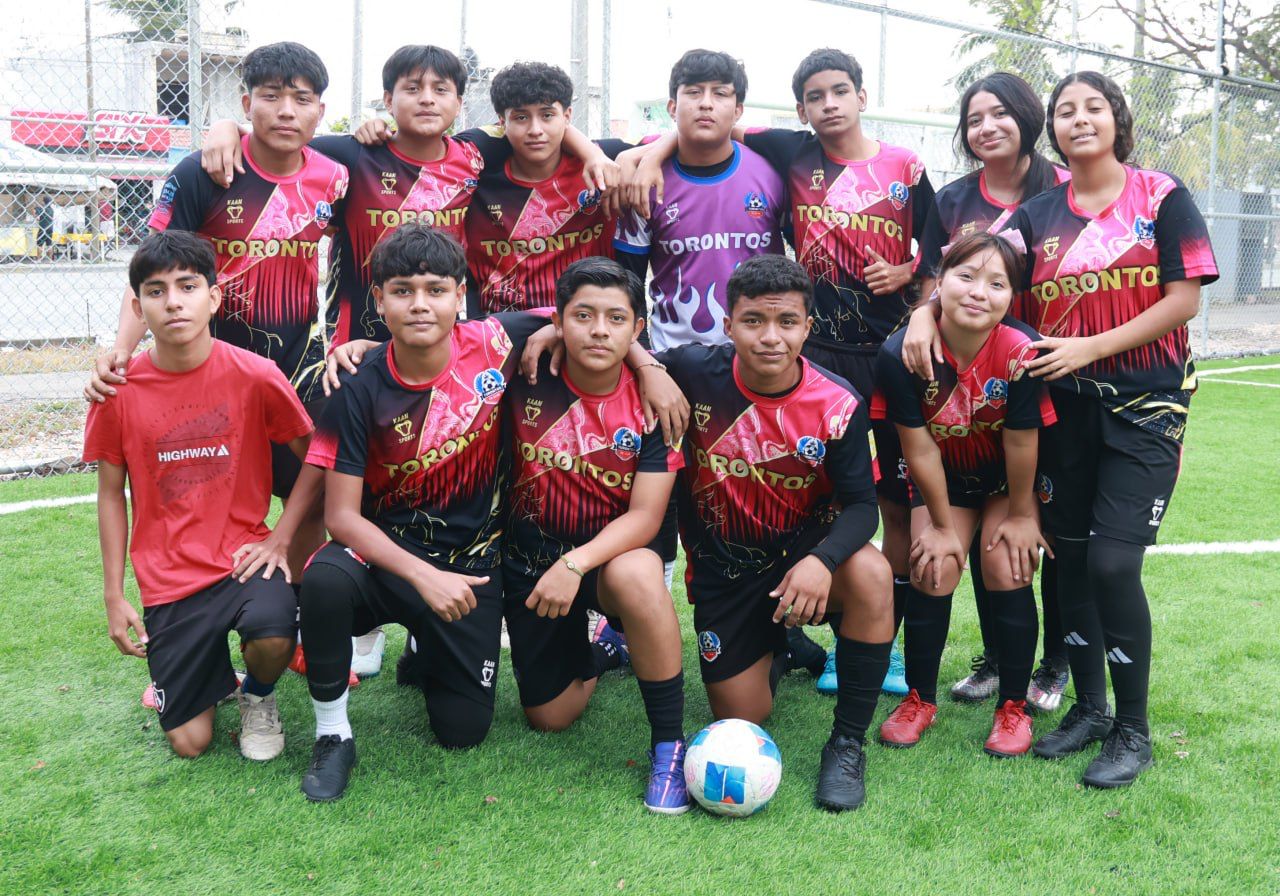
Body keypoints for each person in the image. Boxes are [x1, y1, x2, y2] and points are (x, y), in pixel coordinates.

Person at [625, 47, 937, 696]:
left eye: (840, 92)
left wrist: (912, 273)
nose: (829, 104)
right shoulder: (773, 154)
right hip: (709, 364)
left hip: (846, 353)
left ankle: (871, 639)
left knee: (865, 498)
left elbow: (943, 245)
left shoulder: (855, 164)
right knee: (712, 498)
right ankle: (705, 627)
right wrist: (650, 152)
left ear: (862, 96)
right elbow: (697, 132)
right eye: (815, 96)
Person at [999, 72, 1217, 786]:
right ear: (1053, 131)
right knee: (1068, 563)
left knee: (1114, 565)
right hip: (1062, 413)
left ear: (1119, 121)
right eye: (1065, 111)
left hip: (1147, 409)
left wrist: (1090, 348)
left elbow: (1183, 301)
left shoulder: (1161, 196)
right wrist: (922, 313)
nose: (1079, 118)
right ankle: (1089, 710)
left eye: (1093, 107)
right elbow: (979, 275)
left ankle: (1133, 730)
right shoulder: (1034, 216)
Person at [295, 224, 552, 802]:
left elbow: (584, 313)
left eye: (435, 290)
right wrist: (423, 576)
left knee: (463, 732)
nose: (419, 304)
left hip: (470, 569)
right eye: (402, 290)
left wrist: (646, 365)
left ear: (460, 296)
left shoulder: (494, 340)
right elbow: (341, 518)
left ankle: (423, 647)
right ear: (378, 300)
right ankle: (333, 735)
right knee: (325, 579)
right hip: (384, 560)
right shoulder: (354, 383)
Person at [85, 41, 347, 584]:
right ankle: (197, 605)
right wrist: (121, 351)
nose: (286, 111)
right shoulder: (205, 171)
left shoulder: (335, 176)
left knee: (314, 493)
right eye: (270, 97)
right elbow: (150, 272)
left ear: (321, 110)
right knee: (202, 499)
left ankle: (301, 611)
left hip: (298, 366)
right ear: (246, 102)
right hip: (211, 373)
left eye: (301, 99)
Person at [656, 254, 894, 811]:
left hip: (803, 557)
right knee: (742, 716)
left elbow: (863, 508)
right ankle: (781, 645)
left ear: (807, 327)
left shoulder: (838, 402)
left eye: (786, 321)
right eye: (753, 321)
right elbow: (619, 347)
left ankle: (847, 743)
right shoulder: (691, 372)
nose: (770, 337)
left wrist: (822, 561)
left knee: (872, 573)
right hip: (726, 571)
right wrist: (647, 369)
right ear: (727, 324)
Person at [83, 230, 319, 760]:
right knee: (190, 743)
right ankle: (211, 669)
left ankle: (258, 693)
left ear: (213, 298)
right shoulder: (117, 391)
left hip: (242, 561)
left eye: (187, 286)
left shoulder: (256, 375)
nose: (173, 302)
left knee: (273, 634)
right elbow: (110, 495)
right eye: (156, 290)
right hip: (169, 579)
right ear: (139, 307)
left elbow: (317, 459)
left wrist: (280, 538)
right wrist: (114, 595)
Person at [906, 72, 1071, 712]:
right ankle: (999, 660)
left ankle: (1054, 663)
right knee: (985, 530)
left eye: (1000, 113)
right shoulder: (952, 199)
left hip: (1049, 371)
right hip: (974, 379)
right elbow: (932, 282)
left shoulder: (1062, 190)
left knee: (1045, 528)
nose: (987, 128)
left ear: (1027, 118)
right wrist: (922, 318)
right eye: (974, 118)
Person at [503, 257, 689, 813]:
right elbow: (444, 334)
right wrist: (364, 347)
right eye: (583, 316)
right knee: (549, 718)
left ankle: (669, 748)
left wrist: (575, 564)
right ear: (558, 321)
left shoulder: (657, 399)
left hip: (605, 562)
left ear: (638, 329)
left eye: (616, 319)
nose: (599, 330)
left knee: (638, 573)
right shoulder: (524, 370)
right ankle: (607, 649)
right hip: (530, 562)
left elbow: (646, 519)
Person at [873, 233, 1056, 756]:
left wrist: (1020, 516)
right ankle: (920, 698)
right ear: (940, 281)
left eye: (997, 283)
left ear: (1011, 297)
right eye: (966, 276)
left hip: (1005, 485)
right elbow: (919, 449)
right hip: (944, 482)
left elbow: (1021, 441)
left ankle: (1013, 706)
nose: (979, 292)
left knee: (1007, 564)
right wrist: (941, 527)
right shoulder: (901, 353)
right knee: (933, 565)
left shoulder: (1021, 350)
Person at [612, 48, 786, 352]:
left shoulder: (772, 172)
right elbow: (628, 283)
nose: (706, 103)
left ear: (738, 110)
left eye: (720, 93)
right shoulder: (643, 182)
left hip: (759, 354)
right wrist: (644, 357)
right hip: (671, 356)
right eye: (693, 92)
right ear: (672, 107)